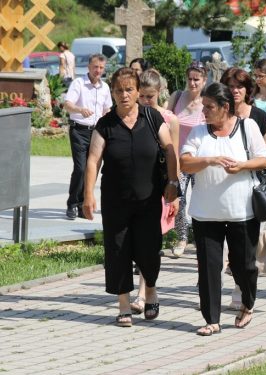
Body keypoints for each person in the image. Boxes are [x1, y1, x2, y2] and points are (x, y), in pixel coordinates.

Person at [82, 67, 179, 327]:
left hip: (149, 199)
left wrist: (173, 183)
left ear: (138, 91)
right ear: (112, 93)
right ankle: (124, 305)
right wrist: (87, 195)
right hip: (115, 200)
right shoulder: (106, 123)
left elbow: (170, 151)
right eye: (118, 90)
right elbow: (93, 160)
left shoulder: (153, 117)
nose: (124, 95)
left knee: (148, 249)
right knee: (118, 251)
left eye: (129, 90)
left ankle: (151, 292)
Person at [180, 82, 266, 336]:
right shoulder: (199, 132)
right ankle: (212, 320)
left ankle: (247, 303)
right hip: (205, 214)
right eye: (203, 106)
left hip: (242, 213)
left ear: (225, 107)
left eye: (209, 107)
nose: (204, 112)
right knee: (209, 268)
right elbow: (185, 163)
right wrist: (209, 160)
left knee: (244, 266)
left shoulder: (247, 126)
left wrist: (242, 165)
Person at [220, 67, 266, 310]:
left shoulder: (259, 117)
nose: (235, 90)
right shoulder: (218, 114)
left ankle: (240, 291)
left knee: (247, 246)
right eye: (231, 86)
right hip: (223, 188)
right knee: (228, 247)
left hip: (254, 190)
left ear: (247, 90)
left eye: (239, 86)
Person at [130, 69, 181, 314]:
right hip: (139, 187)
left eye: (150, 96)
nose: (146, 101)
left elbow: (175, 156)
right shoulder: (133, 116)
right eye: (142, 96)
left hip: (161, 187)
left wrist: (176, 191)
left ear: (160, 92)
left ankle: (146, 292)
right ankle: (145, 293)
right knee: (140, 241)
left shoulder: (169, 118)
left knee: (150, 243)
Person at [64, 53, 112, 220]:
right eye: (95, 67)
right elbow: (67, 104)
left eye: (101, 68)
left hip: (97, 133)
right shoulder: (79, 83)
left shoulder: (105, 88)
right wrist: (80, 110)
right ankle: (72, 203)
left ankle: (84, 205)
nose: (98, 70)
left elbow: (107, 109)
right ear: (89, 67)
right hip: (79, 130)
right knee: (80, 168)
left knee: (92, 170)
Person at [166, 62, 208, 257]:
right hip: (179, 160)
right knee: (179, 200)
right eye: (189, 79)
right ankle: (182, 238)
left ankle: (203, 237)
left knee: (201, 200)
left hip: (199, 161)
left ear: (204, 81)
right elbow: (163, 116)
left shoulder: (207, 102)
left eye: (196, 79)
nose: (192, 83)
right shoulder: (177, 97)